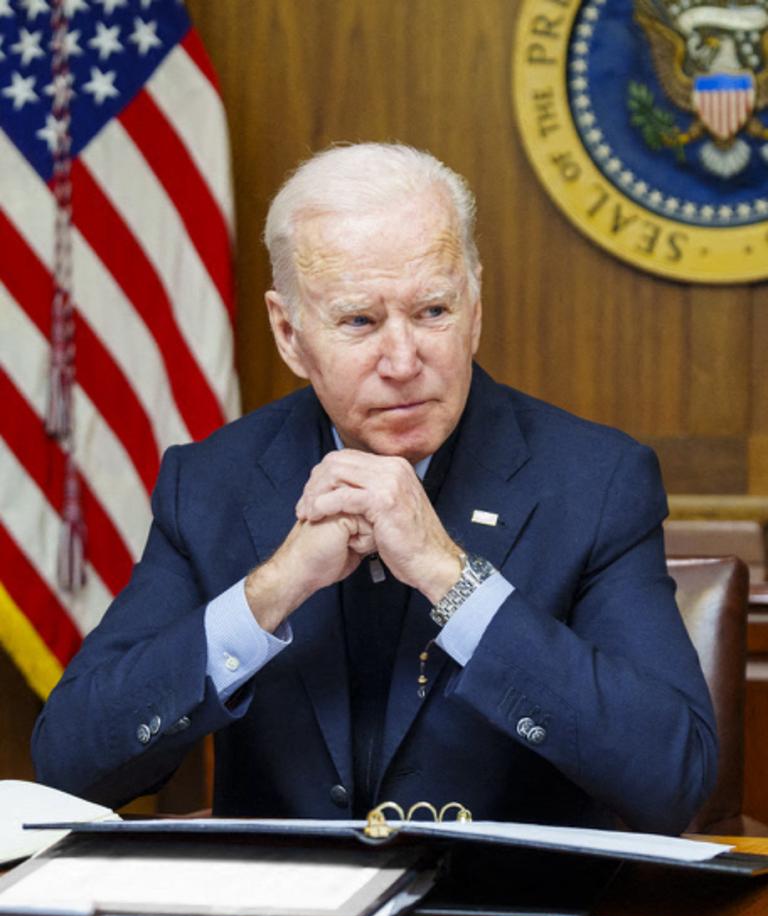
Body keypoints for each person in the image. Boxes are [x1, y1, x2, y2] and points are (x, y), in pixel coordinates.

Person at [32, 143, 717, 833]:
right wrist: (273, 588)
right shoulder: (212, 482)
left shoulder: (594, 481)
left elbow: (673, 776)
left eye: (432, 312)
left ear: (474, 306)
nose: (403, 361)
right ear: (289, 333)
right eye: (359, 320)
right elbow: (71, 764)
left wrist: (451, 578)